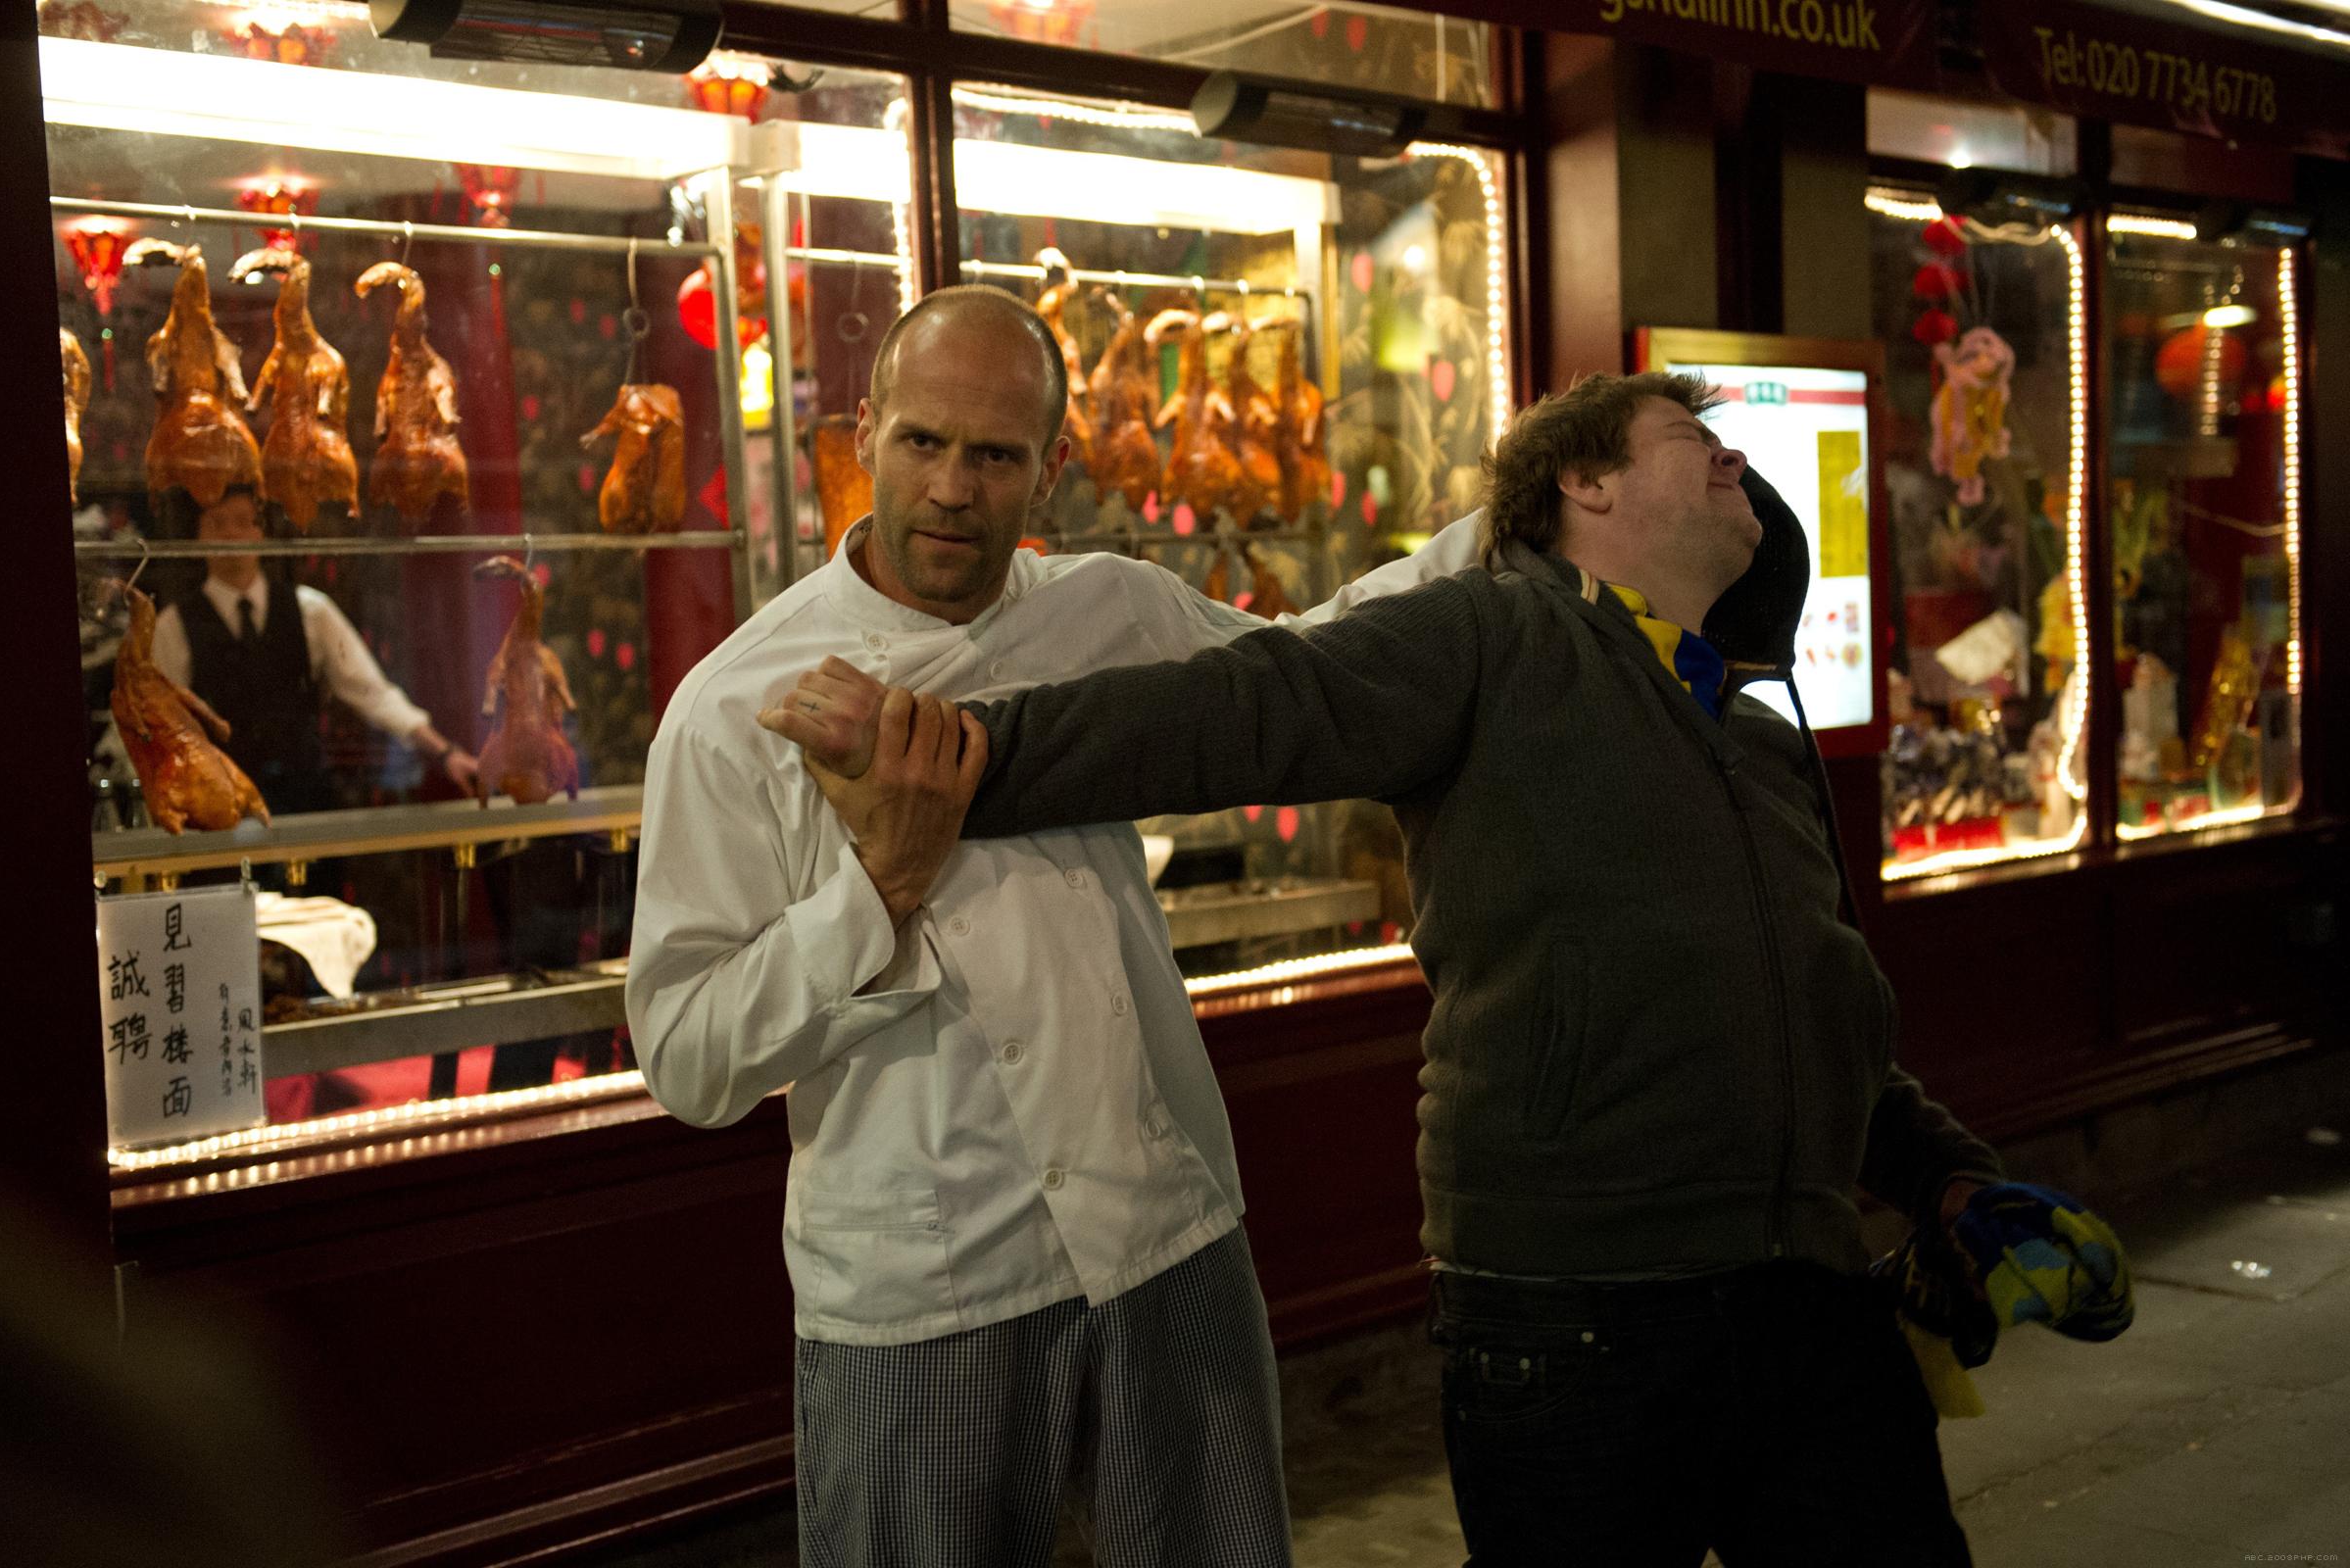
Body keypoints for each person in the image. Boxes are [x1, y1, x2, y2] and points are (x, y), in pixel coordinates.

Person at [770, 371, 2013, 1564]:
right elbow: (1229, 710)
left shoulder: (1753, 736)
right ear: (1584, 483)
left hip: (1809, 1295)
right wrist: (952, 753)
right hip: (1583, 1313)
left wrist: (1947, 1176)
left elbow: (1809, 1015)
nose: (1736, 458)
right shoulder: (1489, 637)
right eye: (1694, 442)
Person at [627, 284, 1467, 1566]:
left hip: (1161, 1228)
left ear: (1054, 466)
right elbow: (688, 1057)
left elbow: (1318, 665)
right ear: (865, 432)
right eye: (922, 441)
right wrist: (878, 890)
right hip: (924, 1279)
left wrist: (1505, 531)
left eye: (995, 455)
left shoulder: (1112, 611)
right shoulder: (735, 704)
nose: (952, 488)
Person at [145, 484, 477, 813]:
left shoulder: (312, 610)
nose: (231, 534)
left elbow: (372, 693)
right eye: (217, 524)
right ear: (198, 535)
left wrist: (445, 753)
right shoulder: (172, 626)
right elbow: (161, 723)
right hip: (220, 808)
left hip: (306, 801)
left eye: (244, 522)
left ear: (262, 533)